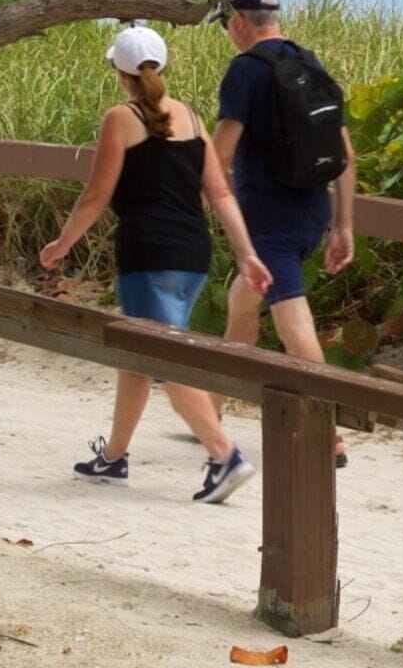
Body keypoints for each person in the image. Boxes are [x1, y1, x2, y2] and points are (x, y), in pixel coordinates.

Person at [38, 25, 268, 504]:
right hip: (192, 253)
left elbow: (97, 194)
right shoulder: (190, 117)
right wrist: (246, 252)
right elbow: (220, 192)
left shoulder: (120, 118)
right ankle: (115, 456)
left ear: (120, 74)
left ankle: (224, 456)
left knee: (165, 360)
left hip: (148, 253)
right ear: (162, 66)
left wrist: (62, 243)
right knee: (138, 357)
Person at [210, 0, 357, 387]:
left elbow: (219, 154)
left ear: (238, 21)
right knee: (242, 303)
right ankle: (214, 414)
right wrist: (343, 226)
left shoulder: (246, 70)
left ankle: (331, 440)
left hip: (269, 222)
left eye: (225, 22)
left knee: (294, 329)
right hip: (312, 215)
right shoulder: (308, 62)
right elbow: (345, 154)